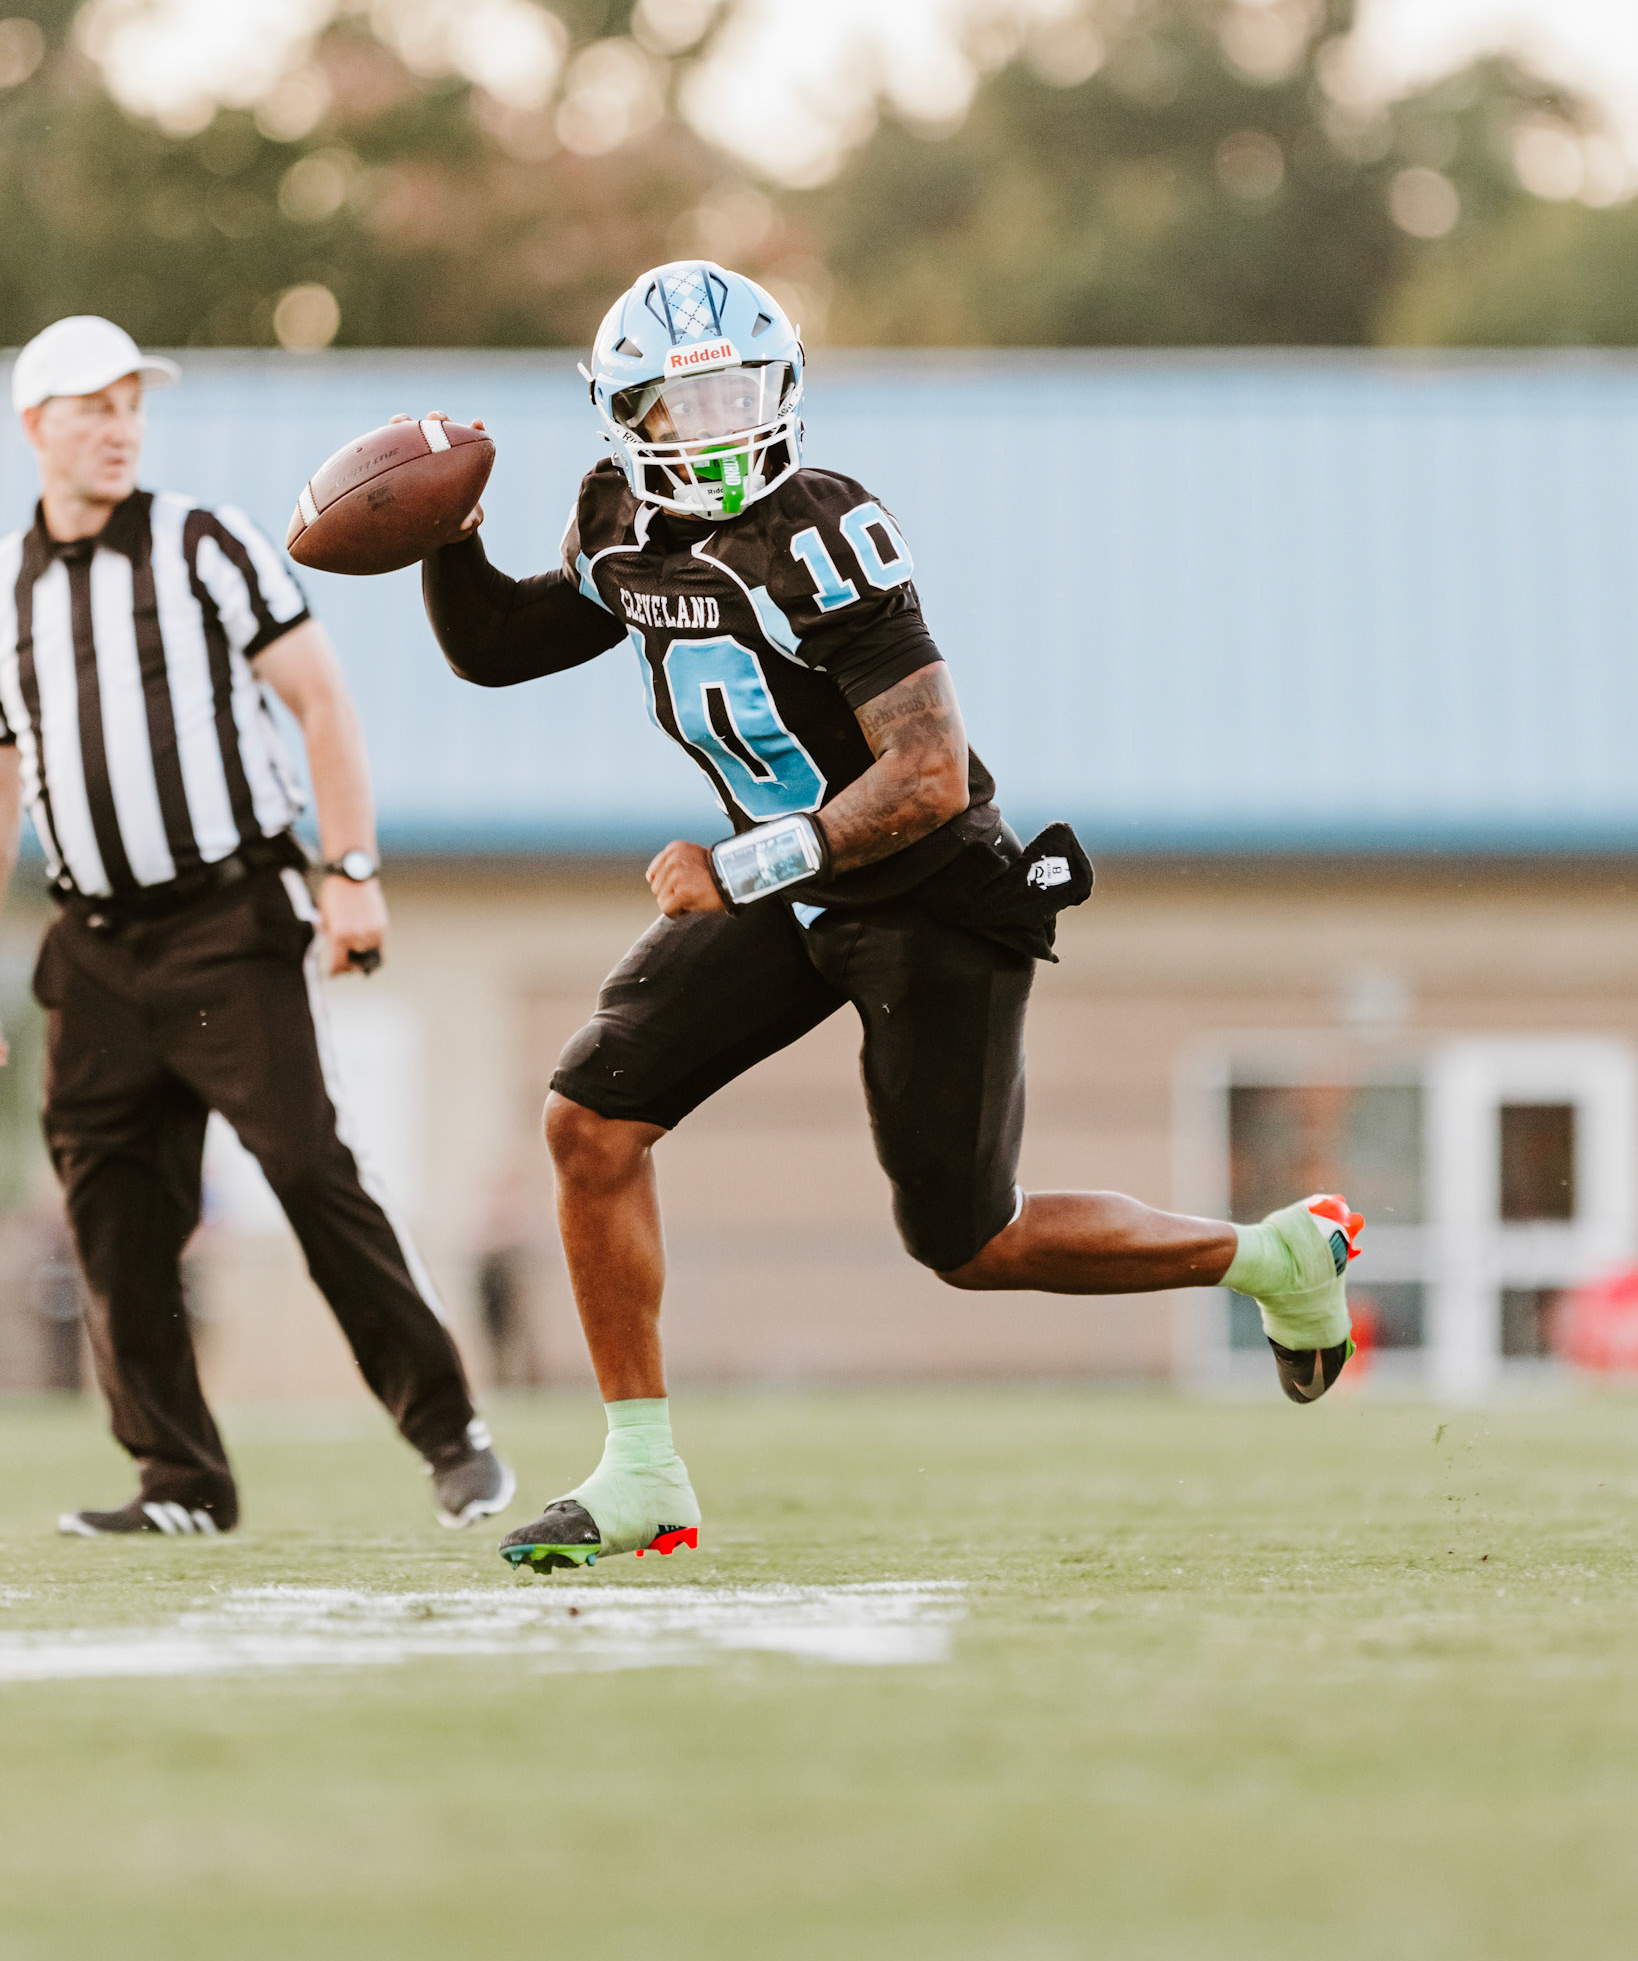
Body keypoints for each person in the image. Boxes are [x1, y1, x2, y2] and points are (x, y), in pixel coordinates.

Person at [415, 262, 1362, 1574]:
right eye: (683, 406)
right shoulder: (615, 516)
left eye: (738, 393)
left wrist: (744, 865)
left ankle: (1274, 1255)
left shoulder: (821, 530)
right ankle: (642, 1472)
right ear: (624, 417)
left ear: (785, 388)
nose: (716, 430)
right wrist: (444, 537)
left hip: (930, 891)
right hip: (787, 883)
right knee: (589, 1122)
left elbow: (925, 773)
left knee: (969, 1241)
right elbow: (504, 646)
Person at [0, 315, 513, 1537]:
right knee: (110, 1212)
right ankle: (180, 1479)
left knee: (308, 1165)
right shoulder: (9, 591)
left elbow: (322, 701)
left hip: (227, 916)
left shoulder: (203, 544)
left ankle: (452, 1432)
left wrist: (352, 869)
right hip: (93, 942)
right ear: (36, 427)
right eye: (94, 407)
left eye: (133, 405)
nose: (120, 427)